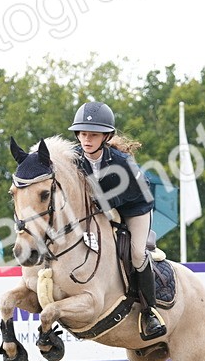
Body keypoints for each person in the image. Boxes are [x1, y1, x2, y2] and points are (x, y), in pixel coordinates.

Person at [68, 101, 164, 340]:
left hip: (135, 208)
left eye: (93, 135)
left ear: (106, 136)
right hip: (100, 210)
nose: (87, 139)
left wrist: (110, 201)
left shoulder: (121, 161)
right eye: (83, 134)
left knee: (137, 254)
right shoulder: (74, 158)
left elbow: (143, 189)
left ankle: (149, 311)